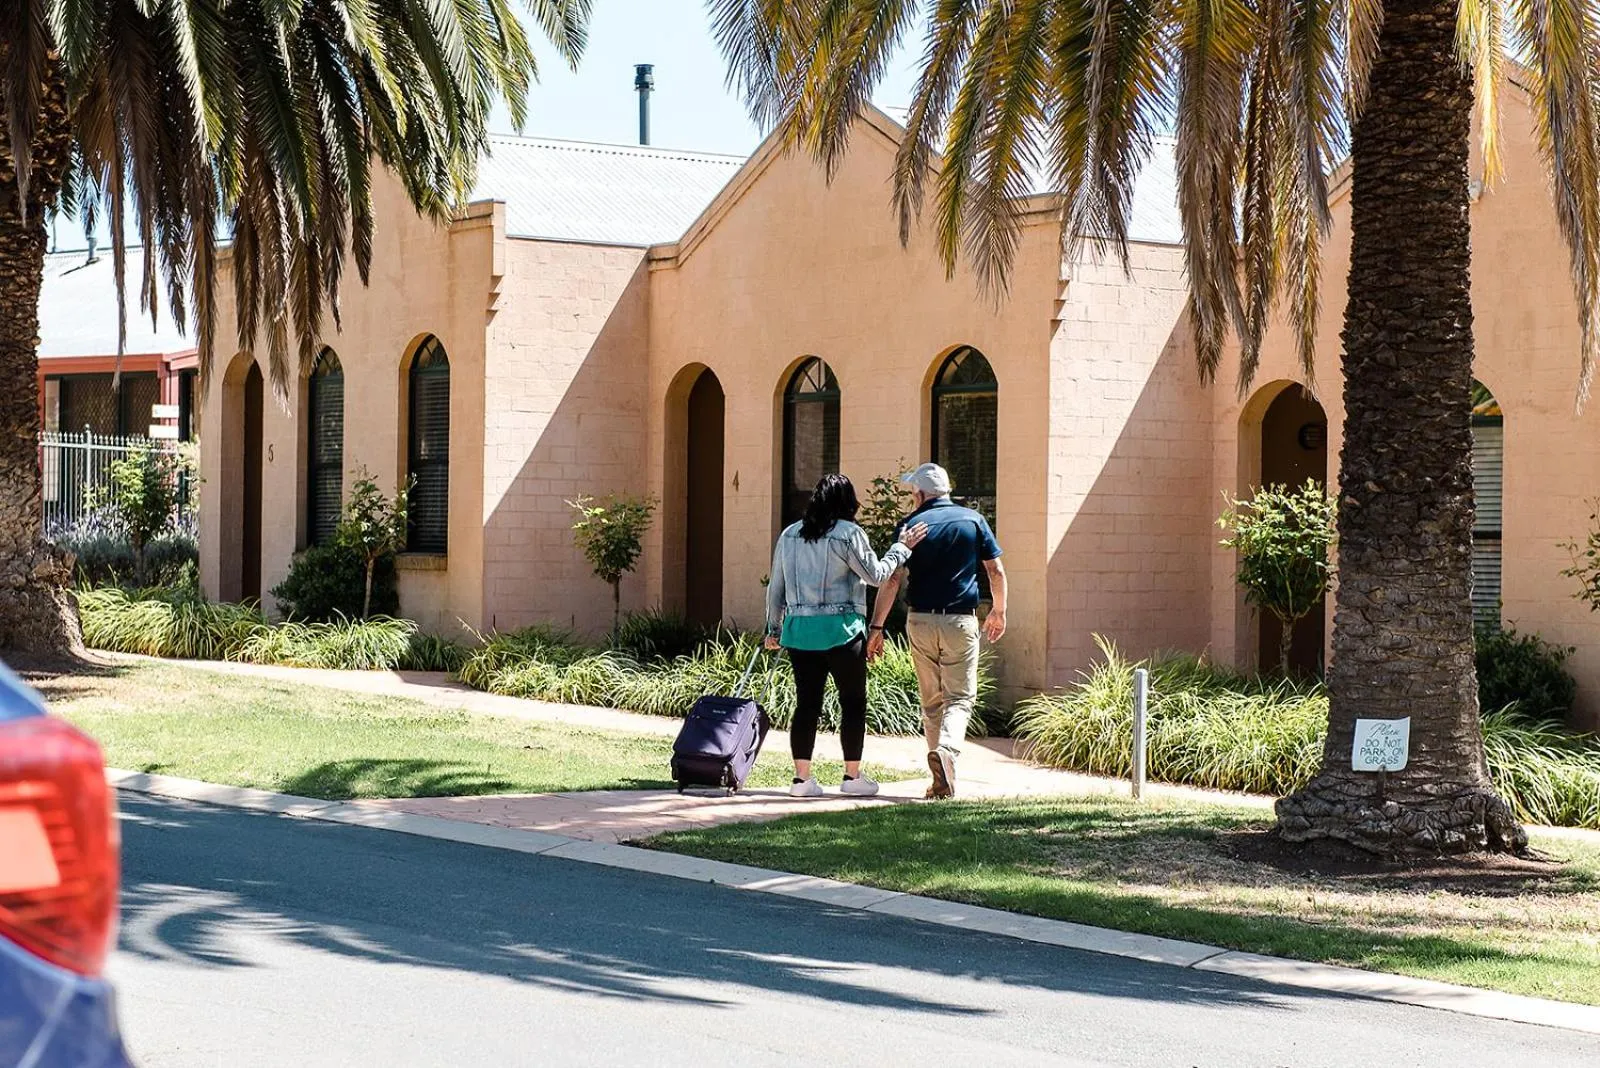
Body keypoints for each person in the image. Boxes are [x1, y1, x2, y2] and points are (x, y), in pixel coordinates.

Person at [765, 474, 928, 798]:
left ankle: (801, 780)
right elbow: (876, 575)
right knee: (853, 703)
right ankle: (852, 777)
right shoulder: (849, 534)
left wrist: (773, 629)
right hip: (842, 631)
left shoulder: (790, 535)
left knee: (806, 704)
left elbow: (776, 587)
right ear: (848, 501)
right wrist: (901, 548)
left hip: (800, 633)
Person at [867, 462, 1006, 799]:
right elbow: (995, 569)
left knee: (932, 701)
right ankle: (946, 752)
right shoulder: (973, 520)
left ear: (921, 493)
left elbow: (894, 578)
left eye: (913, 492)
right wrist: (999, 610)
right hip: (960, 620)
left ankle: (939, 781)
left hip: (920, 620)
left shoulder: (911, 525)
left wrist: (877, 626)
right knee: (960, 697)